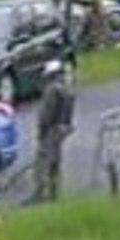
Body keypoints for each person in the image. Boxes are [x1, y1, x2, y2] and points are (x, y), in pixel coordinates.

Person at [28, 60, 75, 204]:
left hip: (50, 130)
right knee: (55, 162)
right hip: (62, 129)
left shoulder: (52, 90)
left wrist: (41, 132)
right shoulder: (67, 89)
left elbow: (46, 115)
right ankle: (55, 194)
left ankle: (39, 195)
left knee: (41, 163)